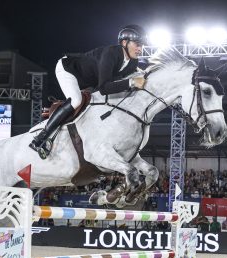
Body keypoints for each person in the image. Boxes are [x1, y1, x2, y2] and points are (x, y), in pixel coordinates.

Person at [29, 24, 147, 159]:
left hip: (88, 82)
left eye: (142, 45)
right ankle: (40, 138)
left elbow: (119, 83)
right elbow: (104, 88)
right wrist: (131, 82)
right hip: (69, 70)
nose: (140, 49)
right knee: (76, 100)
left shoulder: (133, 62)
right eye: (137, 44)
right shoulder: (111, 53)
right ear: (124, 42)